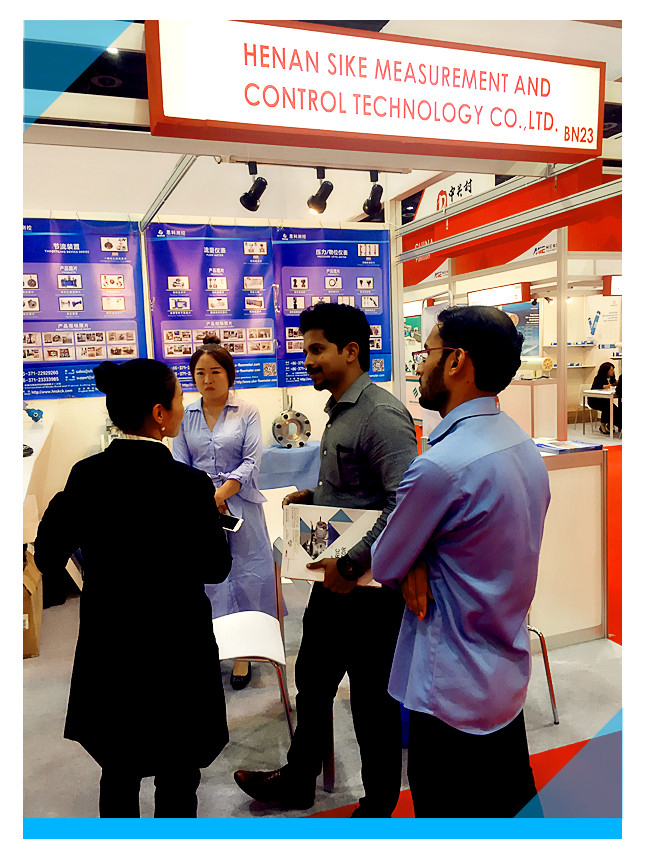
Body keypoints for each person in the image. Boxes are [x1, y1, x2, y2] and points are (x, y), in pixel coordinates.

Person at [234, 302, 419, 817]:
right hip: (333, 582)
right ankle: (300, 779)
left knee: (371, 703)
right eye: (306, 349)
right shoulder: (340, 410)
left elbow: (404, 504)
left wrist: (354, 563)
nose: (308, 360)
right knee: (313, 681)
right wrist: (315, 497)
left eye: (317, 349)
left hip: (368, 590)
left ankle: (378, 805)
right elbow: (362, 493)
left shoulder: (381, 415)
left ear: (351, 351)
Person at [370, 305, 551, 818]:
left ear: (456, 362)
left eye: (426, 352)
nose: (420, 365)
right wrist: (421, 555)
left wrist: (414, 556)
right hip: (503, 679)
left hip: (451, 690)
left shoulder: (440, 467)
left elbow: (385, 562)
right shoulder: (520, 444)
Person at [33, 359, 232, 818]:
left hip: (111, 649)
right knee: (178, 775)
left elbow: (46, 557)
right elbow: (216, 568)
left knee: (118, 771)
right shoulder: (189, 485)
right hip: (177, 651)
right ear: (159, 414)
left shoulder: (86, 475)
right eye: (180, 397)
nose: (185, 405)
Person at [173, 337, 276, 690]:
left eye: (215, 371)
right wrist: (203, 498)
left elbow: (251, 461)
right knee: (207, 577)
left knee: (248, 573)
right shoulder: (186, 414)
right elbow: (180, 462)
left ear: (229, 375)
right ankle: (214, 643)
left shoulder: (247, 411)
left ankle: (244, 652)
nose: (207, 379)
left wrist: (219, 495)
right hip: (198, 509)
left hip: (240, 503)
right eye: (200, 373)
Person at [588, 361, 621, 434]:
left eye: (613, 370)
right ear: (606, 371)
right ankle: (603, 425)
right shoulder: (598, 378)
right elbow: (595, 387)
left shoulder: (611, 378)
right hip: (595, 400)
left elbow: (614, 384)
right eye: (611, 370)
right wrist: (605, 386)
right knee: (608, 408)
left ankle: (610, 424)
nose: (613, 372)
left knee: (614, 408)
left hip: (605, 400)